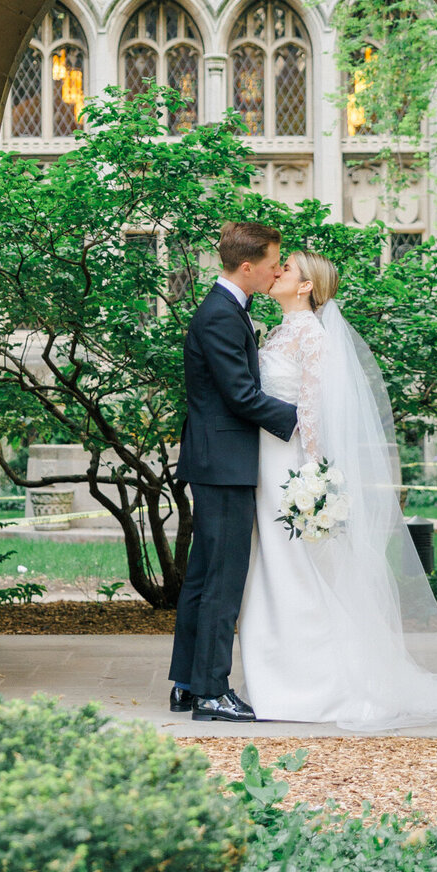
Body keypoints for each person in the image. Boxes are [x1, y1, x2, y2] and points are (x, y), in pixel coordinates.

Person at [237, 251, 437, 730]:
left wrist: (312, 476)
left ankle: (317, 685)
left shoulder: (311, 336)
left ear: (306, 287)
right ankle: (280, 674)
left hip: (291, 467)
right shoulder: (280, 330)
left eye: (288, 269)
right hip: (266, 461)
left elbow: (316, 412)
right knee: (275, 567)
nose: (277, 271)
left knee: (297, 569)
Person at [168, 220, 297, 721]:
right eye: (272, 264)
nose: (277, 271)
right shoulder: (221, 315)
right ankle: (211, 692)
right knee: (223, 579)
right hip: (223, 464)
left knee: (203, 576)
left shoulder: (227, 309)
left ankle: (187, 682)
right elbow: (240, 396)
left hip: (218, 460)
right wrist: (301, 420)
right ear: (248, 266)